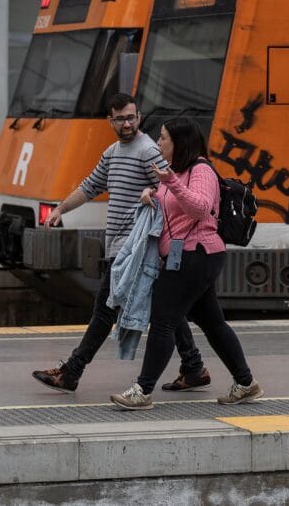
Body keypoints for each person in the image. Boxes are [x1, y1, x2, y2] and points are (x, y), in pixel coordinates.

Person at [31, 94, 210, 393]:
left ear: (138, 117)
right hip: (121, 245)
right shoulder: (112, 153)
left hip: (135, 248)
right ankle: (193, 367)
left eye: (131, 118)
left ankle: (71, 372)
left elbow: (170, 187)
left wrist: (151, 195)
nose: (126, 124)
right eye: (120, 119)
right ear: (110, 121)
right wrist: (61, 209)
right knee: (165, 311)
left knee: (105, 309)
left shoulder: (148, 151)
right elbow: (90, 186)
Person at [110, 117, 262, 410]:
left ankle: (142, 390)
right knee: (212, 322)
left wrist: (170, 183)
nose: (158, 143)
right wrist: (152, 193)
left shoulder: (200, 170)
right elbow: (174, 203)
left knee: (163, 321)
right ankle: (245, 383)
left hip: (196, 255)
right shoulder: (176, 171)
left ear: (179, 142)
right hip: (189, 257)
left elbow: (200, 208)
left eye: (163, 137)